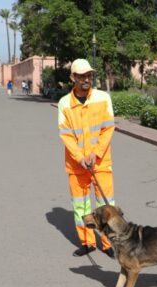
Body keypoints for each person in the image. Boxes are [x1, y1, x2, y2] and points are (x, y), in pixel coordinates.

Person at [57, 58, 117, 257]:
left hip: (100, 162)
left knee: (105, 205)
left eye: (88, 75)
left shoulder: (103, 98)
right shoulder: (64, 103)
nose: (86, 79)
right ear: (72, 77)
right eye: (81, 76)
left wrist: (95, 153)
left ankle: (108, 243)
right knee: (81, 205)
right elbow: (66, 134)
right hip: (77, 165)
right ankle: (88, 242)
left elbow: (108, 128)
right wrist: (80, 157)